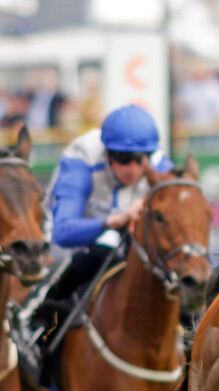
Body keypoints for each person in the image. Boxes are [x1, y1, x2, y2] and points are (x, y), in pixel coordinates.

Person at [25, 104, 173, 347]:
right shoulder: (81, 158)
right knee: (95, 253)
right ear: (107, 153)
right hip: (68, 244)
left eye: (140, 159)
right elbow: (63, 232)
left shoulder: (158, 162)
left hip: (118, 237)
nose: (134, 169)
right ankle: (40, 326)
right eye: (124, 159)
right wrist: (113, 220)